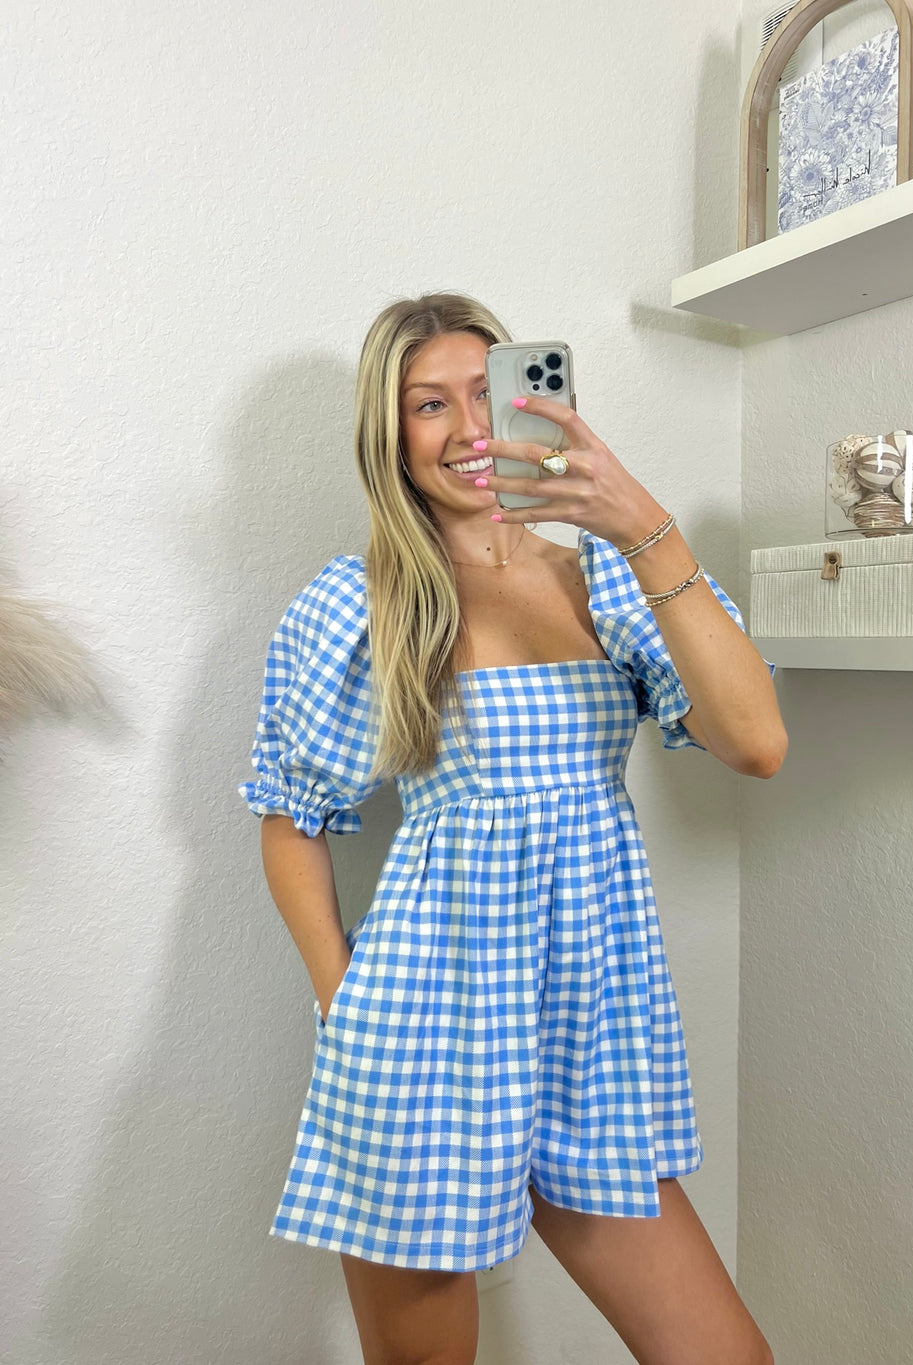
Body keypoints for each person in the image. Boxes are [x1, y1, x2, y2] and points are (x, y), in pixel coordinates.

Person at [239, 292, 786, 1365]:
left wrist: (637, 524)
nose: (469, 428)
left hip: (589, 1022)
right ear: (390, 438)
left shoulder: (611, 578)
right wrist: (342, 996)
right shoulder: (358, 603)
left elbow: (755, 741)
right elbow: (291, 815)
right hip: (423, 1028)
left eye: (489, 393)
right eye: (427, 405)